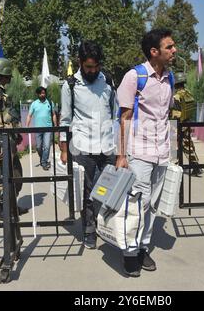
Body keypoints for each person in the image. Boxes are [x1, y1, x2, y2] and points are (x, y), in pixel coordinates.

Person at [116, 28, 176, 277]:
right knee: (135, 205)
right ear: (154, 52)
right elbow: (125, 117)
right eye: (169, 47)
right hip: (139, 152)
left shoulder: (170, 78)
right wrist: (121, 155)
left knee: (151, 206)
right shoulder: (134, 76)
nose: (174, 50)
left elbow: (166, 116)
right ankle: (130, 252)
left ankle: (142, 247)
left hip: (161, 153)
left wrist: (170, 148)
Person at [60, 40, 116, 250]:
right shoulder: (70, 85)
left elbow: (115, 112)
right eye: (88, 67)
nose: (92, 71)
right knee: (87, 191)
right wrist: (64, 149)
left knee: (107, 188)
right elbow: (65, 120)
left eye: (95, 67)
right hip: (83, 146)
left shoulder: (108, 81)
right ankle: (89, 230)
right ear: (80, 63)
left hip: (107, 145)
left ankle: (105, 225)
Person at [0, 58, 28, 221]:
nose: (9, 79)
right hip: (2, 140)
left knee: (15, 174)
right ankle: (1, 209)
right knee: (3, 173)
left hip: (7, 138)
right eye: (8, 75)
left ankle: (11, 206)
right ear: (4, 74)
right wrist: (2, 144)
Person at [170, 72, 203, 177]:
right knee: (188, 145)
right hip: (187, 123)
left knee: (174, 146)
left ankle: (175, 168)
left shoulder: (176, 96)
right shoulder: (188, 93)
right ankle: (196, 166)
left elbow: (176, 114)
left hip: (178, 124)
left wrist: (173, 127)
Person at [26, 86, 57, 170]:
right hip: (38, 129)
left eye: (44, 93)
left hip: (48, 128)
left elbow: (53, 114)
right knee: (39, 147)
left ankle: (44, 162)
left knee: (47, 146)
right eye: (41, 93)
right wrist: (27, 126)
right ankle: (43, 158)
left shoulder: (50, 103)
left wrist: (56, 125)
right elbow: (29, 115)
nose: (43, 94)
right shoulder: (34, 104)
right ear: (38, 94)